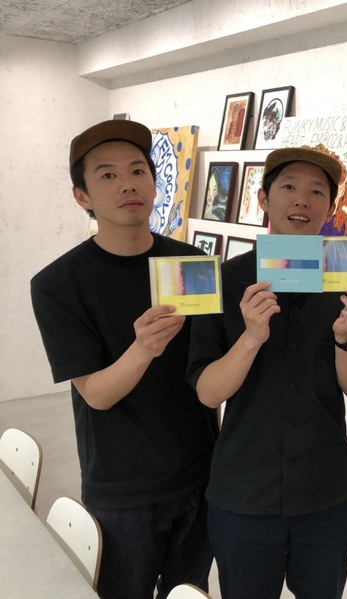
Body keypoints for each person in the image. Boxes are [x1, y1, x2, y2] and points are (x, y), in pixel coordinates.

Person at [30, 120, 218, 599]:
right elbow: (96, 394)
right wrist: (144, 348)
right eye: (108, 175)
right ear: (83, 196)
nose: (128, 184)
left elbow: (208, 371)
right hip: (122, 490)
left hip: (201, 477)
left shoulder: (190, 263)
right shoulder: (58, 284)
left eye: (138, 171)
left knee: (189, 592)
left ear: (155, 184)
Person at [187, 145, 347, 599]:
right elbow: (208, 393)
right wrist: (251, 337)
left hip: (324, 490)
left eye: (317, 192)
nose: (302, 200)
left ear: (329, 208)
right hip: (244, 492)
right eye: (289, 187)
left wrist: (346, 339)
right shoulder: (224, 280)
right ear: (263, 198)